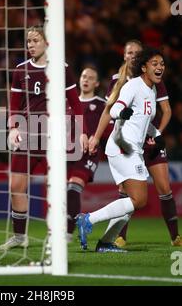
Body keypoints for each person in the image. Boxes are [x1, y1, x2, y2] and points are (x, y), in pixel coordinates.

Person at [88, 40, 182, 248]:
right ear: (126, 57)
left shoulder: (154, 84)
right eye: (130, 53)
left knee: (162, 188)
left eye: (138, 53)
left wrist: (158, 134)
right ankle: (113, 235)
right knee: (133, 195)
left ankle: (175, 237)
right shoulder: (122, 83)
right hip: (125, 144)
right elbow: (111, 110)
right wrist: (96, 136)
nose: (134, 56)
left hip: (147, 141)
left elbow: (164, 111)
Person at [0, 25, 88, 251]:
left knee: (58, 187)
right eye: (28, 41)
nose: (30, 45)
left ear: (47, 43)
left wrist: (82, 130)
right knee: (16, 185)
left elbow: (75, 103)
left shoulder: (61, 68)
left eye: (35, 40)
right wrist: (13, 128)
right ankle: (19, 237)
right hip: (27, 134)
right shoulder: (20, 70)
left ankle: (61, 233)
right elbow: (15, 104)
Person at [76, 47, 167, 252]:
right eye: (155, 63)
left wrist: (157, 135)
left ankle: (106, 242)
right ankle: (88, 219)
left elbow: (144, 121)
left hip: (133, 149)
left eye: (162, 64)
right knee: (140, 199)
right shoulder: (133, 85)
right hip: (122, 146)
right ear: (144, 67)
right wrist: (122, 112)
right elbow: (115, 108)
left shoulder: (151, 91)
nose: (160, 67)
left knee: (129, 201)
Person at [66, 67, 109, 240]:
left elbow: (109, 128)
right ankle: (71, 224)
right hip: (67, 153)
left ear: (96, 83)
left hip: (88, 155)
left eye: (91, 78)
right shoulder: (68, 103)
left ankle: (68, 232)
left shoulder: (101, 105)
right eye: (84, 76)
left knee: (73, 188)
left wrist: (95, 138)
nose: (86, 80)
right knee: (63, 193)